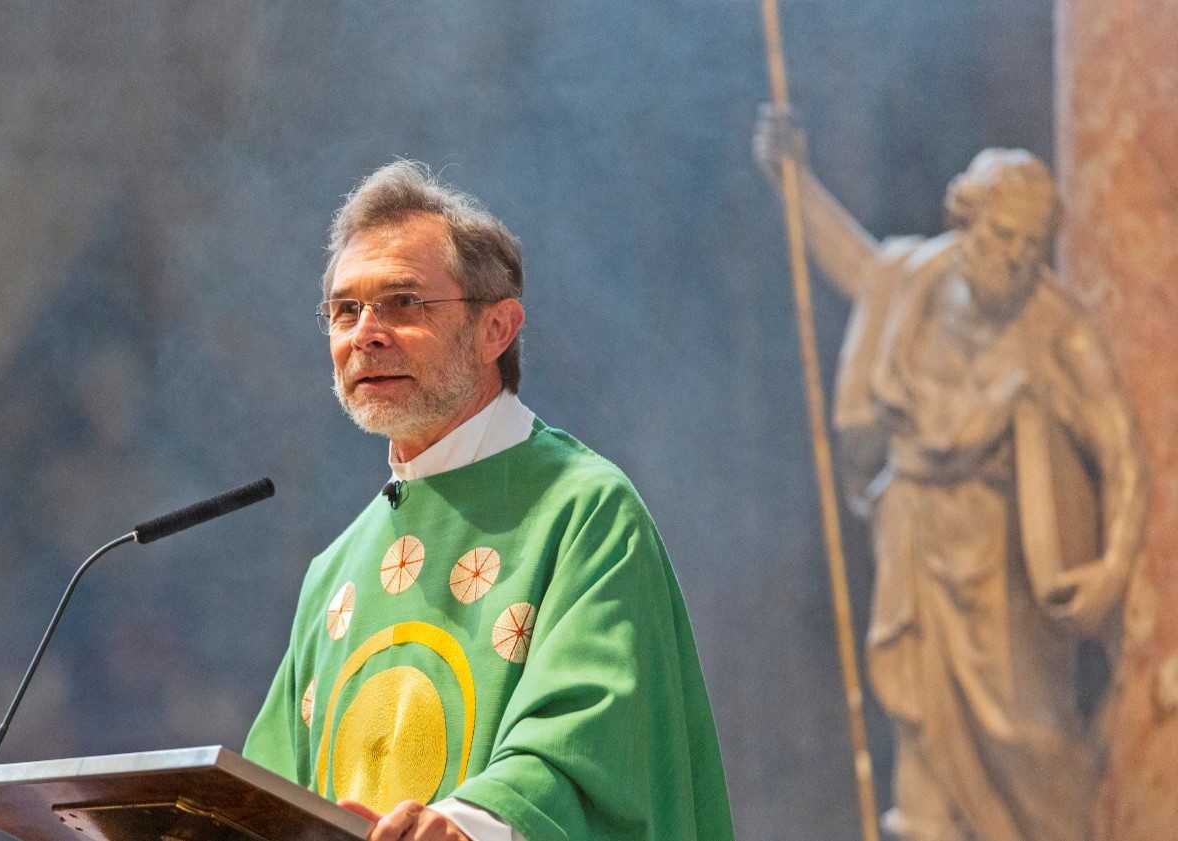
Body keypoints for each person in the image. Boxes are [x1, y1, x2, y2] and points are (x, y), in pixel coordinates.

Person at [242, 161, 734, 841]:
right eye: (345, 310)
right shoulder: (335, 570)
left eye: (403, 303)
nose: (365, 333)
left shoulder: (583, 511)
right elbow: (264, 800)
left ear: (495, 328)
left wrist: (466, 825)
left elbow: (593, 746)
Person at [752, 111, 1147, 841]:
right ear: (967, 222)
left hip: (1005, 572)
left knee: (1033, 745)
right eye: (1004, 239)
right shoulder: (914, 281)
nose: (1017, 261)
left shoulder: (1058, 326)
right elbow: (850, 260)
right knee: (923, 746)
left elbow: (1121, 447)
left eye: (1034, 248)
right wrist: (792, 179)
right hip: (917, 542)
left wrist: (1113, 565)